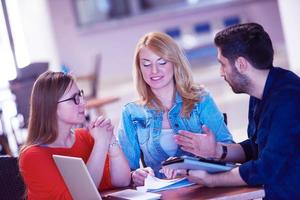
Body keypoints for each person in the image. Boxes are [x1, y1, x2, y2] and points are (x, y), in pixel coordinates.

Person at [170, 23, 300, 199]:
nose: (221, 73)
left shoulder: (288, 99)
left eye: (223, 64)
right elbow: (256, 148)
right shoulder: (262, 91)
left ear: (241, 64)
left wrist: (211, 180)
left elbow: (265, 169)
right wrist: (216, 151)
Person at [117, 32, 233, 186]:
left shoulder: (201, 100)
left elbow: (229, 152)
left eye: (162, 62)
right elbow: (125, 172)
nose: (154, 71)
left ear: (175, 63)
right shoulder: (131, 113)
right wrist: (135, 175)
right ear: (139, 68)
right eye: (146, 64)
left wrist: (188, 165)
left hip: (204, 189)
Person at [19, 71, 131, 199]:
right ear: (51, 106)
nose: (83, 103)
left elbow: (122, 181)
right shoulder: (32, 156)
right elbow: (82, 197)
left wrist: (110, 139)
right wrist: (100, 144)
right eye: (74, 99)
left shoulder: (85, 136)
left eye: (80, 95)